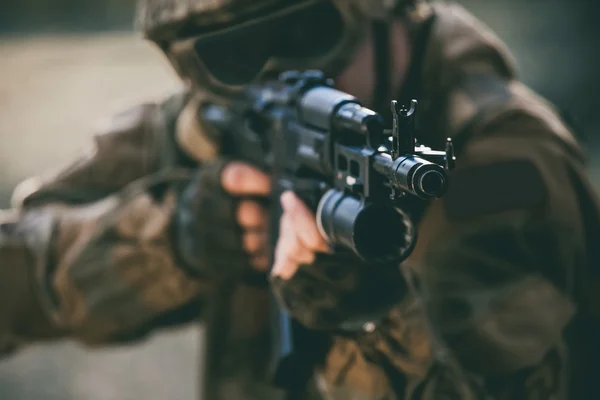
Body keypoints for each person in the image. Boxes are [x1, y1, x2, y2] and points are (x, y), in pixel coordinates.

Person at [0, 0, 599, 399]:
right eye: (232, 54)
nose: (278, 77)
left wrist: (374, 324)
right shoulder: (213, 126)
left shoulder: (507, 166)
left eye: (307, 34)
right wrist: (169, 239)